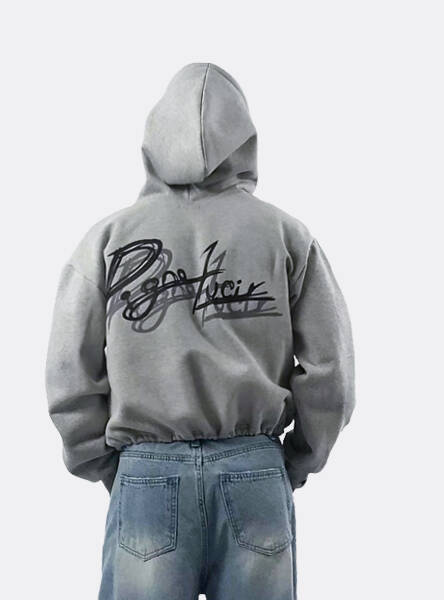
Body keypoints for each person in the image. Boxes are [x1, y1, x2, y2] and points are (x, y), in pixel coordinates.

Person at [46, 62, 355, 600]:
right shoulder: (286, 236)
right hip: (254, 472)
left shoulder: (108, 239)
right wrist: (296, 460)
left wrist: (106, 462)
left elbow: (69, 374)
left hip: (146, 476)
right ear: (245, 142)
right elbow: (331, 373)